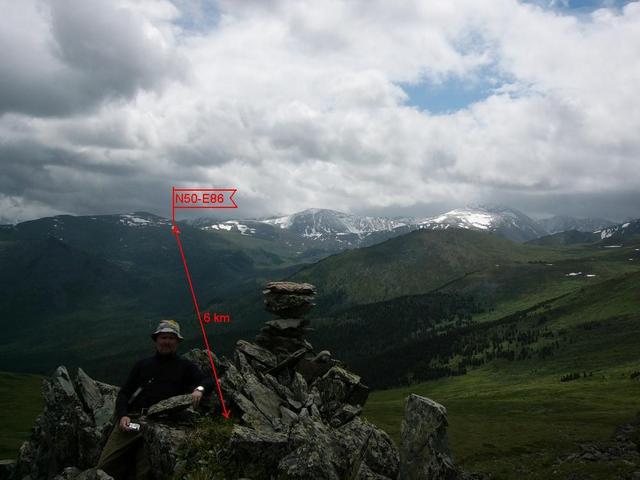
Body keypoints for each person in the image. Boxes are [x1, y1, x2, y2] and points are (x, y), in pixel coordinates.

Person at [97, 319, 213, 480]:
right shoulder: (142, 365)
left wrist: (199, 390)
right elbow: (124, 393)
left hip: (160, 426)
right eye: (163, 337)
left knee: (145, 473)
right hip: (134, 421)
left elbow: (208, 380)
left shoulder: (185, 366)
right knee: (104, 467)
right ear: (156, 340)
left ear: (177, 342)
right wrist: (123, 415)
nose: (167, 342)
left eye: (171, 338)